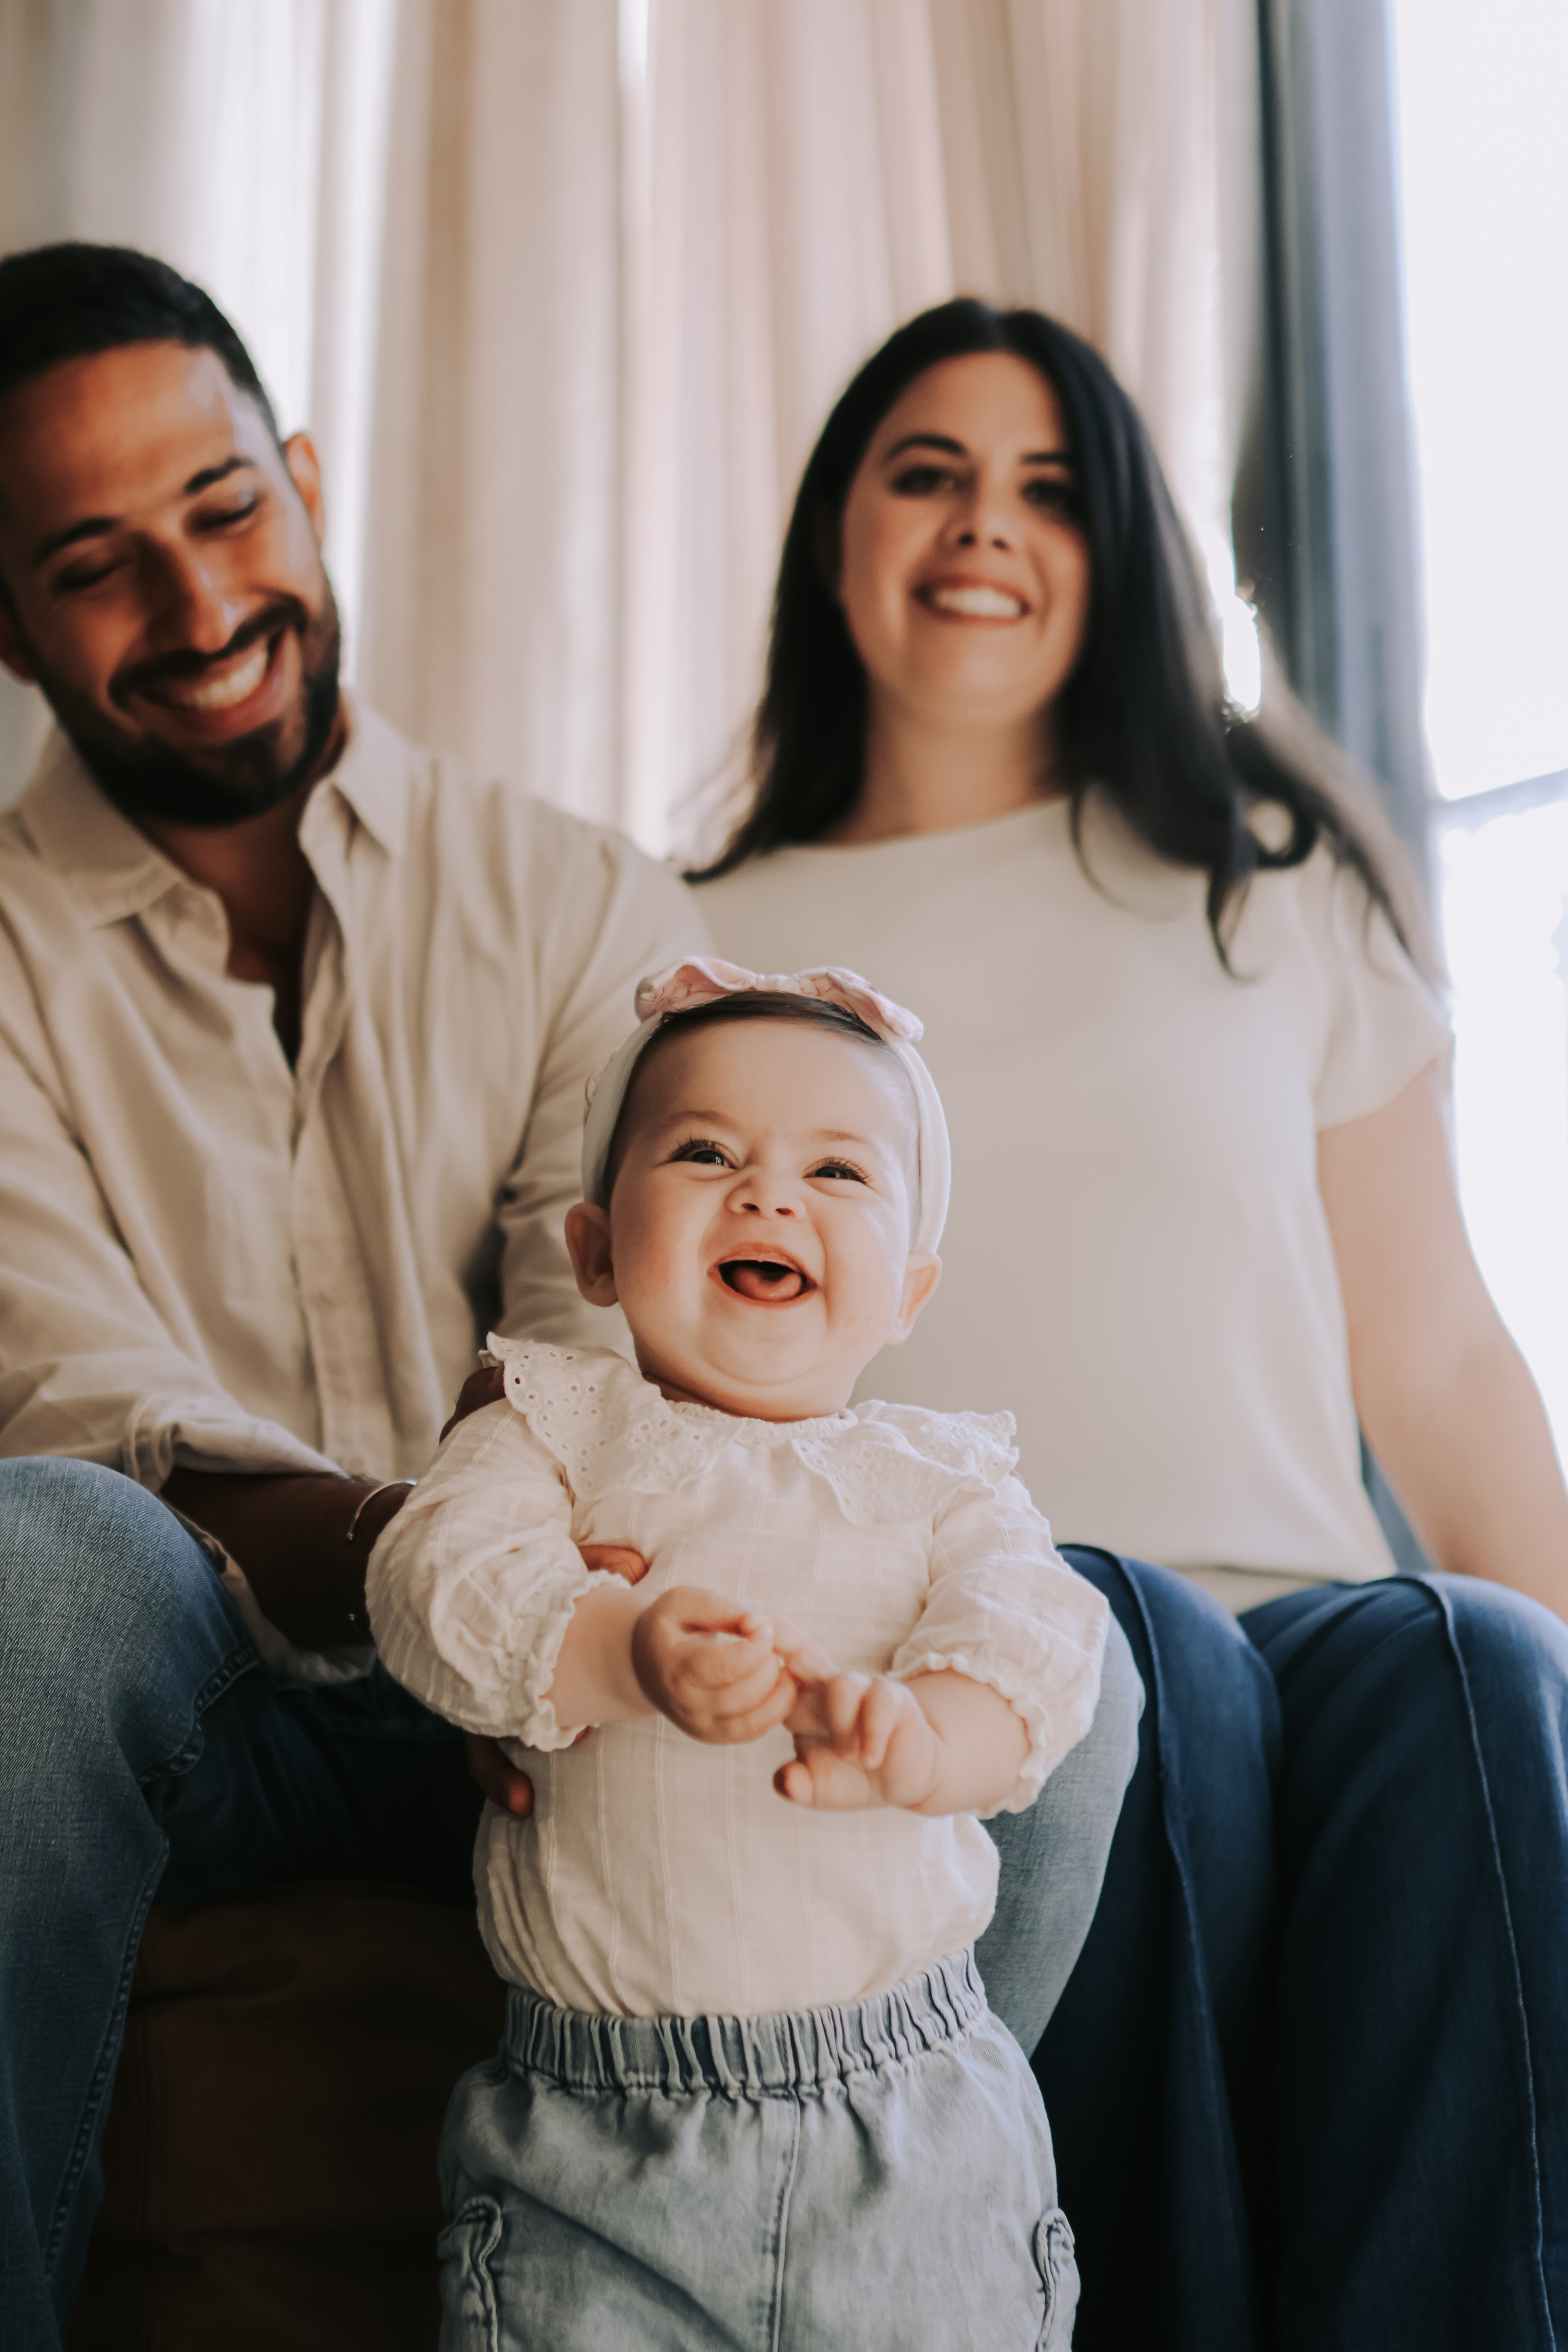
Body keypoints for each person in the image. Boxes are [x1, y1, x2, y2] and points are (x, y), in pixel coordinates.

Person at [0, 247, 1137, 2348]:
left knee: (1072, 1660)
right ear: (5, 611)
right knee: (37, 1565)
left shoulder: (578, 902)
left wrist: (615, 1626)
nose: (195, 604)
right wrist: (487, 1585)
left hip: (622, 1644)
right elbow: (97, 1412)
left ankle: (911, 2219)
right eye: (92, 562)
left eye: (226, 507)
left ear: (306, 479)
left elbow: (647, 1336)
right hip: (246, 1683)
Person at [684, 299, 1568, 2350]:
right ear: (838, 537)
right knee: (1131, 1650)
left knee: (1472, 1654)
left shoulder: (1271, 894)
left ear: (1122, 558)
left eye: (1052, 487)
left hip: (1308, 1633)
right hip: (949, 1667)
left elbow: (1435, 1362)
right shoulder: (693, 944)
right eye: (930, 471)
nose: (989, 524)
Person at [369, 959, 1121, 2349]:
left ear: (908, 1287)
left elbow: (1039, 1630)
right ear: (594, 1250)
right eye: (706, 1152)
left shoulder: (942, 1473)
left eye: (835, 1172)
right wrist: (616, 1651)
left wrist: (929, 1733)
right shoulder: (552, 1422)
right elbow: (435, 1579)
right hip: (595, 2141)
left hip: (912, 2127)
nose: (766, 1194)